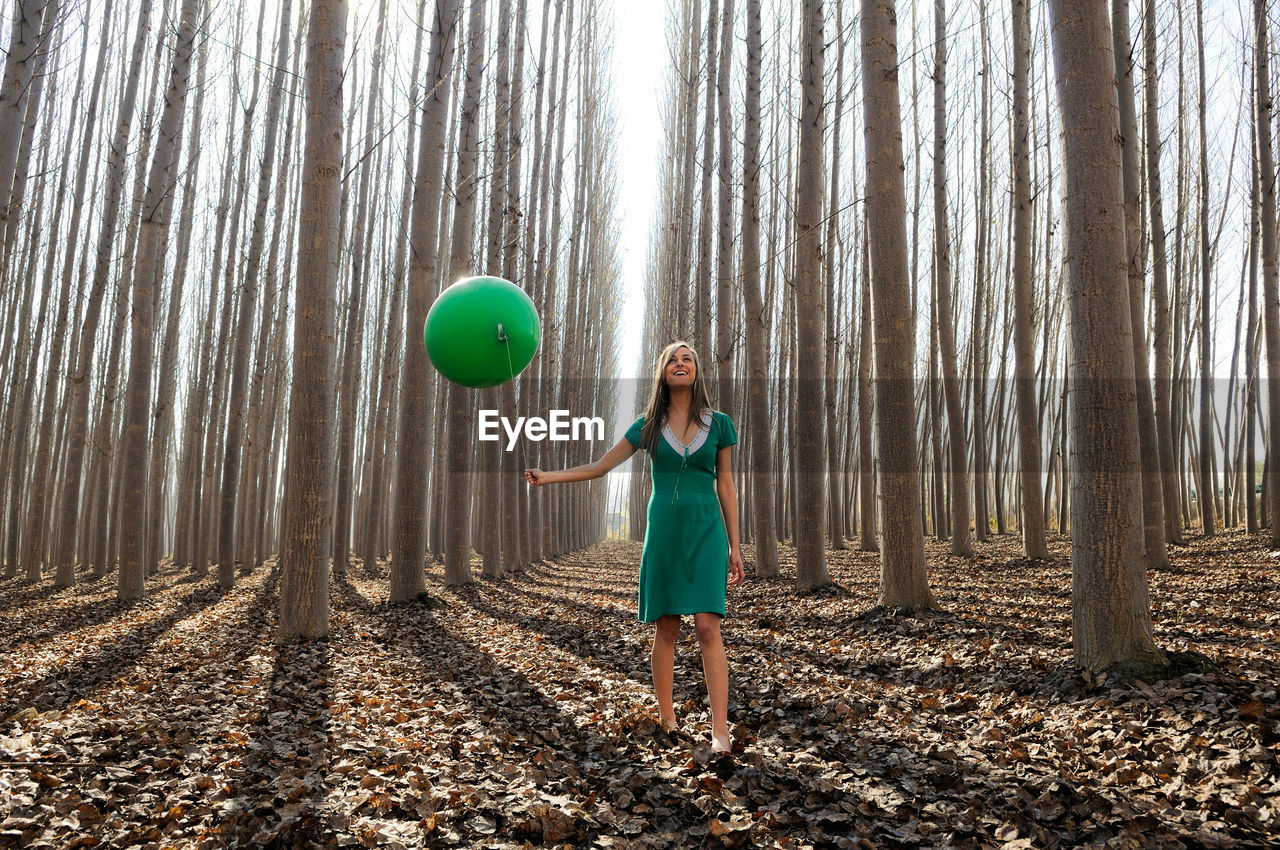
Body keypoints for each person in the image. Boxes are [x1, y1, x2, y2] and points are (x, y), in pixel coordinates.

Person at [524, 341, 744, 753]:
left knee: (708, 628)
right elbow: (601, 466)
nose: (681, 364)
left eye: (688, 359)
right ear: (662, 373)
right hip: (662, 535)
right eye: (673, 361)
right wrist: (547, 476)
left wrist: (735, 544)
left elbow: (726, 485)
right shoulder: (647, 424)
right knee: (667, 627)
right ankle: (668, 717)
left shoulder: (720, 425)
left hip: (707, 534)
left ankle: (720, 730)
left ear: (697, 371)